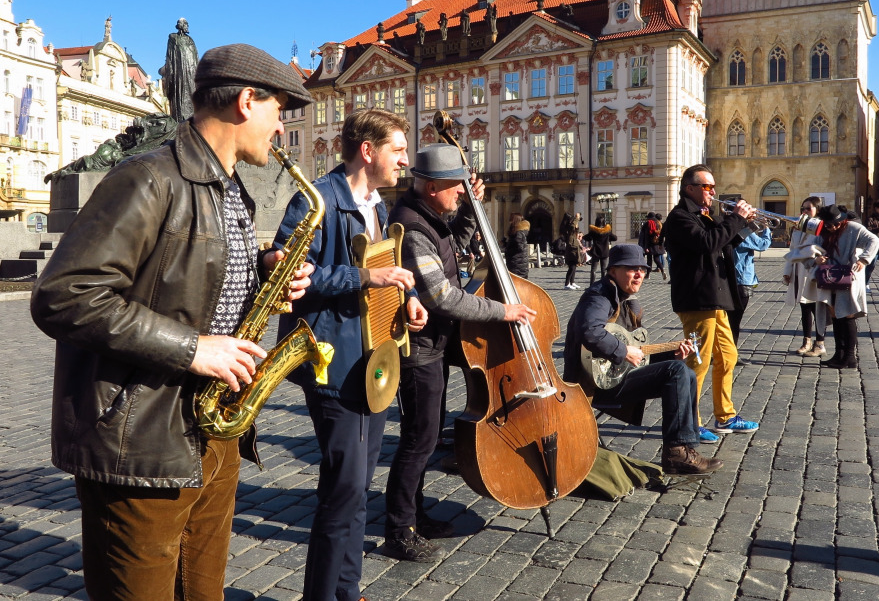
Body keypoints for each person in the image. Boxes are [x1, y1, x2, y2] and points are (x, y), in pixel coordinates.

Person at [30, 43, 315, 600]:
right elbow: (65, 294)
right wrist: (193, 349)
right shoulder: (149, 177)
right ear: (246, 101)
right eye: (279, 111)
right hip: (140, 441)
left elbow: (183, 282)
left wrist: (261, 278)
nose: (281, 130)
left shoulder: (229, 188)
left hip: (213, 430)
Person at [273, 108, 428, 601]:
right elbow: (293, 279)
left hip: (373, 362)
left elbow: (382, 274)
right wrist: (365, 277)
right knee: (342, 492)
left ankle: (348, 591)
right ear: (369, 151)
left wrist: (407, 302)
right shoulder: (316, 198)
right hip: (332, 364)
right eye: (398, 150)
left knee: (360, 487)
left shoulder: (376, 205)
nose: (405, 160)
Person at [384, 144, 537, 562]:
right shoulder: (413, 229)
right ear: (432, 186)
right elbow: (443, 297)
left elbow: (456, 247)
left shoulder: (430, 218)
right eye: (456, 188)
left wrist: (472, 209)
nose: (460, 193)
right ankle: (399, 529)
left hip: (435, 343)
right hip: (419, 350)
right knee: (419, 440)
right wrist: (501, 310)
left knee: (425, 436)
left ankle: (415, 515)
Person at [562, 244, 723, 475]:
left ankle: (683, 448)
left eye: (642, 269)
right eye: (631, 269)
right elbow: (590, 331)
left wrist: (672, 354)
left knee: (683, 371)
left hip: (616, 375)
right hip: (592, 383)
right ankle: (677, 452)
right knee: (677, 373)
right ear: (613, 271)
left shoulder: (629, 302)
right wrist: (622, 351)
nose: (639, 274)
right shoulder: (599, 296)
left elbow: (638, 350)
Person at [662, 164, 759, 442]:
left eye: (713, 186)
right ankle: (691, 422)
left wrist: (747, 224)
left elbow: (724, 245)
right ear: (690, 188)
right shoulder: (680, 218)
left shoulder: (705, 216)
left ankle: (725, 416)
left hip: (716, 297)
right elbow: (706, 243)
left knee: (728, 356)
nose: (713, 191)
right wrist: (735, 220)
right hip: (696, 299)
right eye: (707, 186)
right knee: (698, 362)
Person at [812, 205, 879, 368]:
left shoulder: (853, 227)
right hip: (829, 276)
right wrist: (817, 259)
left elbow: (874, 240)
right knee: (835, 315)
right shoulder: (822, 230)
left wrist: (864, 259)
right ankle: (839, 354)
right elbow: (814, 250)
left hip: (848, 276)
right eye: (829, 225)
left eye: (836, 223)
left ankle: (850, 357)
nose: (833, 227)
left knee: (848, 315)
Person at [783, 197, 828, 358]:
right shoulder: (798, 228)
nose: (804, 211)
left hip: (815, 272)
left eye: (808, 208)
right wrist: (787, 271)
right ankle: (806, 341)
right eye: (803, 208)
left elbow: (822, 249)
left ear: (817, 209)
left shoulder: (822, 227)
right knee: (804, 308)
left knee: (818, 309)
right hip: (800, 271)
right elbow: (793, 249)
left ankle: (820, 343)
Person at [729, 221, 772, 343]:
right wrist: (766, 228)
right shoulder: (743, 231)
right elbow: (762, 245)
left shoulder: (727, 228)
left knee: (729, 320)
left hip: (729, 279)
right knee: (734, 321)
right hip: (742, 279)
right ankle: (732, 353)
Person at [585, 213, 617, 284]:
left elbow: (586, 238)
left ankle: (591, 285)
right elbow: (615, 238)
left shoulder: (593, 231)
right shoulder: (607, 231)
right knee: (603, 270)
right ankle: (603, 285)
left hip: (595, 252)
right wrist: (608, 237)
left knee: (593, 269)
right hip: (604, 252)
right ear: (603, 222)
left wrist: (591, 236)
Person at [504, 212, 530, 279]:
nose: (509, 221)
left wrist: (508, 251)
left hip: (517, 264)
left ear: (515, 220)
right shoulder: (518, 232)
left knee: (516, 281)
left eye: (511, 219)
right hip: (517, 263)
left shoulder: (518, 233)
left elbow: (519, 247)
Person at [561, 211, 583, 289]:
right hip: (571, 249)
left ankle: (572, 282)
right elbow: (572, 226)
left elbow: (575, 229)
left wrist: (577, 221)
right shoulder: (568, 229)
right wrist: (576, 219)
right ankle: (567, 284)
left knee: (574, 266)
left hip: (574, 248)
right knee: (572, 266)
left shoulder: (571, 230)